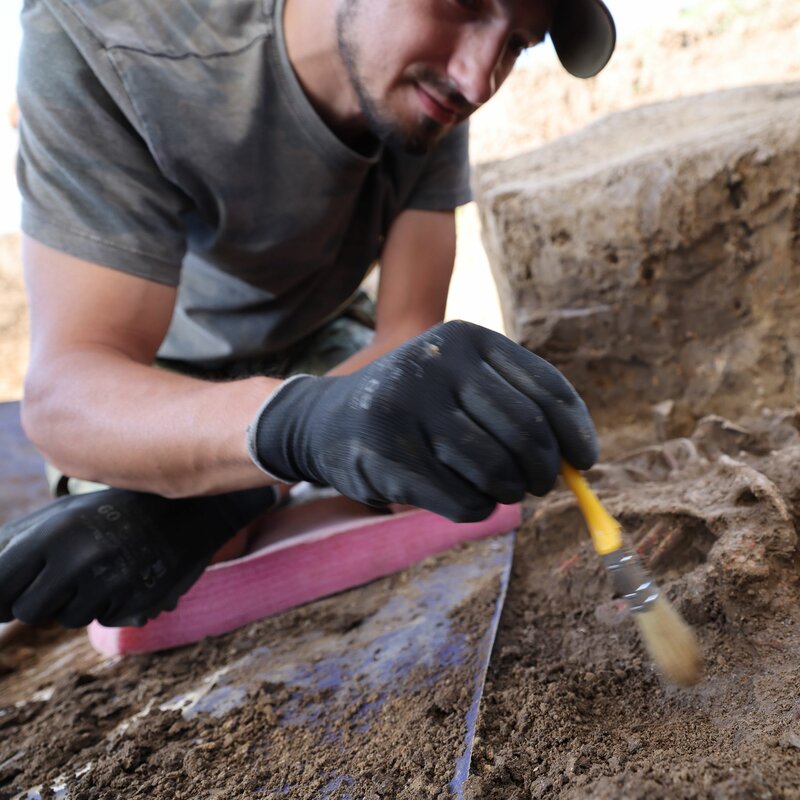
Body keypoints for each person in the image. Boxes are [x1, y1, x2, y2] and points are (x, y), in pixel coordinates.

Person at [0, 0, 615, 629]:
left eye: (516, 44)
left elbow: (407, 330)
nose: (478, 80)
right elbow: (63, 392)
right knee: (145, 564)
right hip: (161, 372)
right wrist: (294, 441)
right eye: (460, 5)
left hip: (324, 336)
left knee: (441, 484)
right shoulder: (102, 35)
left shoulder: (431, 95)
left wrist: (240, 490)